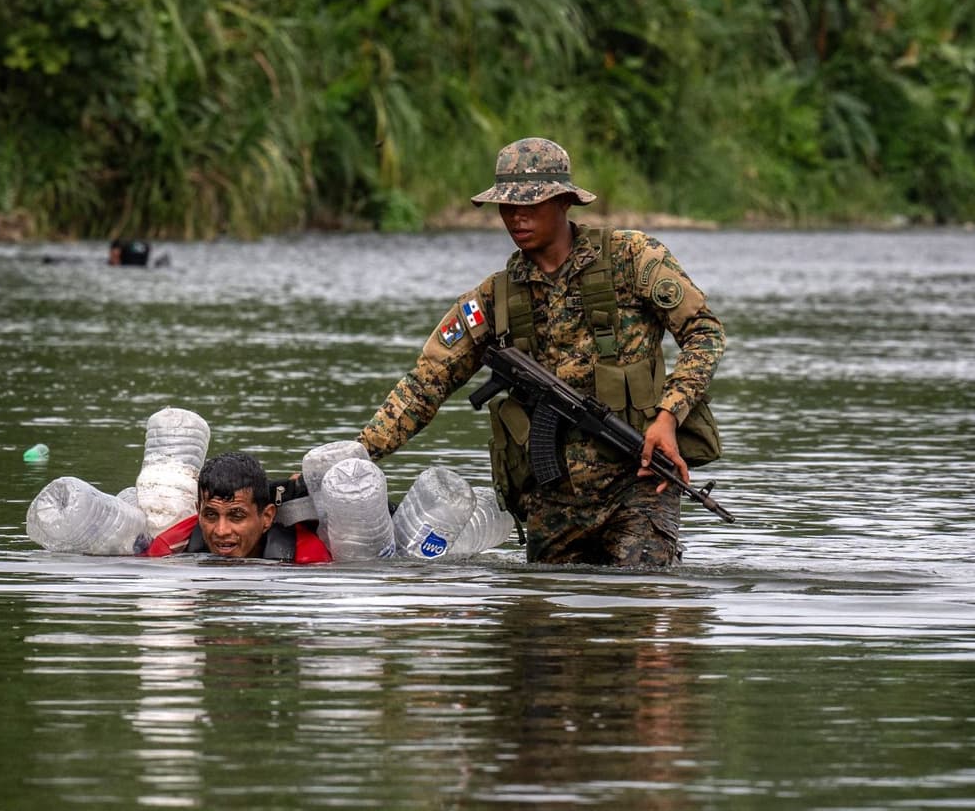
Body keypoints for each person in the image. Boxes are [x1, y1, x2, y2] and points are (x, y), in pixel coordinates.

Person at [354, 137, 725, 568]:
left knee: (637, 602)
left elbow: (705, 333)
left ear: (565, 201)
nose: (516, 216)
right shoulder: (495, 299)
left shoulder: (632, 258)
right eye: (507, 206)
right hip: (551, 501)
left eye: (531, 204)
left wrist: (668, 417)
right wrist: (354, 459)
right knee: (544, 622)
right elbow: (424, 386)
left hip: (637, 482)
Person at [144, 451, 332, 563]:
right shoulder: (168, 550)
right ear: (198, 511)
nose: (221, 530)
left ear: (266, 517)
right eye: (210, 515)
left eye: (236, 516)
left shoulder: (308, 556)